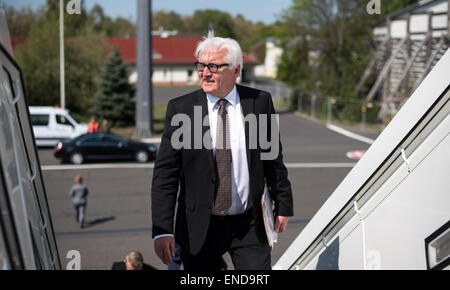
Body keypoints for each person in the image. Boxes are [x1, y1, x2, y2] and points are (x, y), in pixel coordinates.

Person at [151, 36, 293, 270]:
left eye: (214, 66)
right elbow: (165, 175)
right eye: (200, 65)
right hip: (199, 226)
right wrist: (162, 230)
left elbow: (272, 158)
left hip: (250, 224)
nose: (205, 73)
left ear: (236, 70)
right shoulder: (181, 110)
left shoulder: (259, 103)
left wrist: (283, 203)